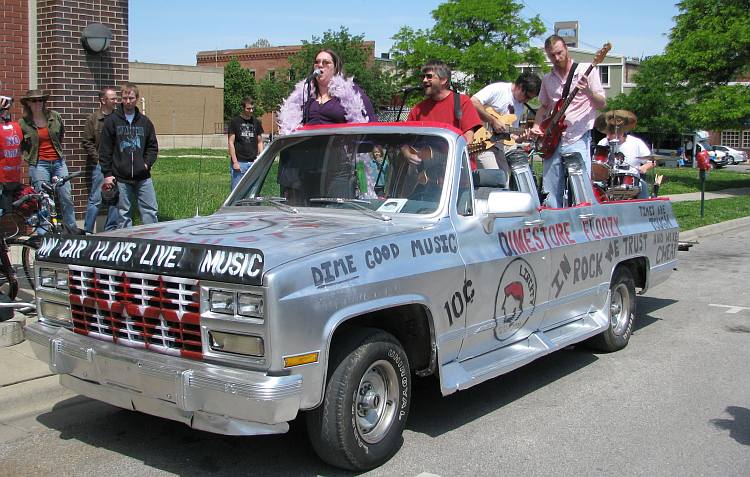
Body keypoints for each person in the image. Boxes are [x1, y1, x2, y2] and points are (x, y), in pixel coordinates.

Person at [530, 35, 606, 208]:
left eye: (559, 53)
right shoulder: (548, 79)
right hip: (553, 139)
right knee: (550, 186)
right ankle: (553, 222)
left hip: (578, 135)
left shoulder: (586, 70)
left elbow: (602, 103)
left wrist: (587, 91)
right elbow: (544, 106)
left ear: (566, 49)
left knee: (581, 187)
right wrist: (536, 125)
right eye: (552, 56)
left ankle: (586, 221)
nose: (557, 58)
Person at [100, 82, 159, 228]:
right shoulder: (112, 121)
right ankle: (127, 244)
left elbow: (152, 147)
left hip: (142, 176)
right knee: (123, 214)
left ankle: (153, 241)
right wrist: (107, 173)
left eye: (131, 98)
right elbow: (105, 149)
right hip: (120, 176)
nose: (127, 101)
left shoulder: (145, 122)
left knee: (150, 211)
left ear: (137, 98)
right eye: (125, 98)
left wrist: (146, 164)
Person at [277, 49, 377, 134]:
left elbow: (369, 121)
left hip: (337, 153)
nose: (320, 65)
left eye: (326, 62)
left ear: (335, 68)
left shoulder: (351, 91)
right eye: (317, 62)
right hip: (308, 151)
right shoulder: (303, 94)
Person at [18, 89, 77, 230]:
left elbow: (60, 135)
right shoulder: (23, 123)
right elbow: (21, 145)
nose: (38, 103)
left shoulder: (55, 116)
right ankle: (44, 233)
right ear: (28, 103)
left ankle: (72, 229)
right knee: (43, 200)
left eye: (41, 100)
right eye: (34, 100)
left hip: (58, 162)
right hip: (39, 164)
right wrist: (28, 158)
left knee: (66, 196)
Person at [470, 72, 541, 172]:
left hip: (499, 146)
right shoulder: (498, 89)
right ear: (520, 86)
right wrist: (492, 120)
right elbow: (473, 101)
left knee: (505, 179)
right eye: (527, 97)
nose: (526, 101)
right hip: (481, 142)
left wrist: (522, 138)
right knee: (494, 177)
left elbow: (510, 136)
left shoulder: (520, 106)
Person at [82, 87, 119, 233]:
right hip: (100, 165)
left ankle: (111, 230)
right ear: (103, 100)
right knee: (95, 199)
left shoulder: (118, 118)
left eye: (116, 98)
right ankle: (87, 231)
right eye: (113, 99)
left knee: (115, 198)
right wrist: (99, 160)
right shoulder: (93, 119)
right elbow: (87, 142)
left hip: (117, 164)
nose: (116, 101)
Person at [597, 126, 654, 199]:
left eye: (611, 133)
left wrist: (644, 167)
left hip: (631, 179)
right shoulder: (603, 142)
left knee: (643, 185)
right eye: (607, 133)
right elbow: (598, 162)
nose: (608, 136)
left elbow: (652, 161)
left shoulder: (636, 142)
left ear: (621, 133)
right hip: (607, 179)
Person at [228, 96, 264, 190]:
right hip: (240, 163)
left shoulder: (256, 122)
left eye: (252, 108)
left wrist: (260, 158)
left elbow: (259, 142)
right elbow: (231, 142)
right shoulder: (235, 122)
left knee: (253, 192)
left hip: (253, 163)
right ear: (243, 108)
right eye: (248, 108)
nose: (251, 110)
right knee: (237, 192)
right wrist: (235, 162)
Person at [0, 95, 24, 215]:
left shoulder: (15, 127)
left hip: (9, 175)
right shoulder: (15, 127)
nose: (4, 114)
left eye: (6, 111)